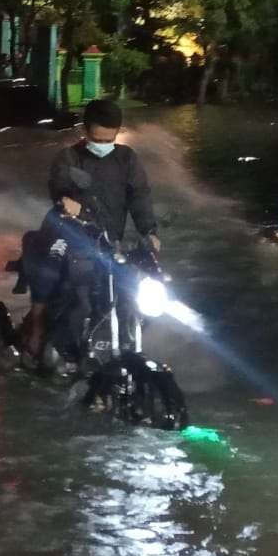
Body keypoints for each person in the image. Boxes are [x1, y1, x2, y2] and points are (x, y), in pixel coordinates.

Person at [19, 98, 161, 360]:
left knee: (130, 292)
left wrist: (149, 232)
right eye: (98, 139)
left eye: (109, 140)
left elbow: (139, 195)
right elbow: (59, 182)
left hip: (109, 242)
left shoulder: (127, 159)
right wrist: (65, 199)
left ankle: (122, 341)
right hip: (70, 235)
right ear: (85, 132)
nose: (103, 145)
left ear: (117, 134)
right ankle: (40, 327)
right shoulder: (69, 157)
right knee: (63, 281)